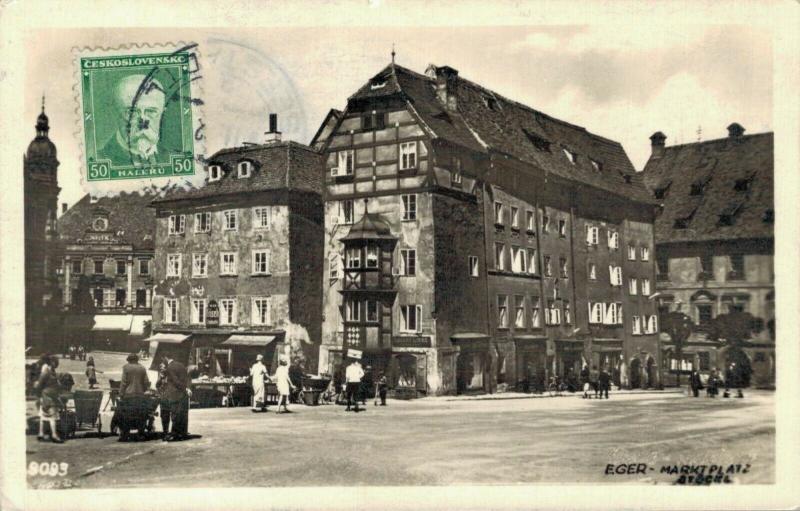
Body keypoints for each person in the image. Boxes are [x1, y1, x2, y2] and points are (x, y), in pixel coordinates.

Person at [97, 75, 176, 167]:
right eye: (132, 112)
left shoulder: (174, 157)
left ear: (163, 113)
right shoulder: (100, 159)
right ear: (115, 113)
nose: (142, 124)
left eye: (151, 111)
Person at [160, 355, 190, 441]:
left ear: (166, 357)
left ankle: (174, 434)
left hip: (174, 394)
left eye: (162, 359)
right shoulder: (181, 365)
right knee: (181, 414)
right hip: (182, 394)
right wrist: (187, 388)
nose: (163, 361)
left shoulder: (170, 367)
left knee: (175, 415)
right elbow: (187, 378)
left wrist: (185, 388)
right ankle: (182, 433)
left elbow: (175, 381)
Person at [34, 355, 63, 443]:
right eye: (56, 363)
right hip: (49, 397)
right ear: (52, 363)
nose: (57, 364)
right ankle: (54, 435)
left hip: (46, 396)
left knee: (43, 416)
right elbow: (39, 385)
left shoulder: (51, 372)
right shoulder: (47, 372)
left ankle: (41, 433)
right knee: (52, 416)